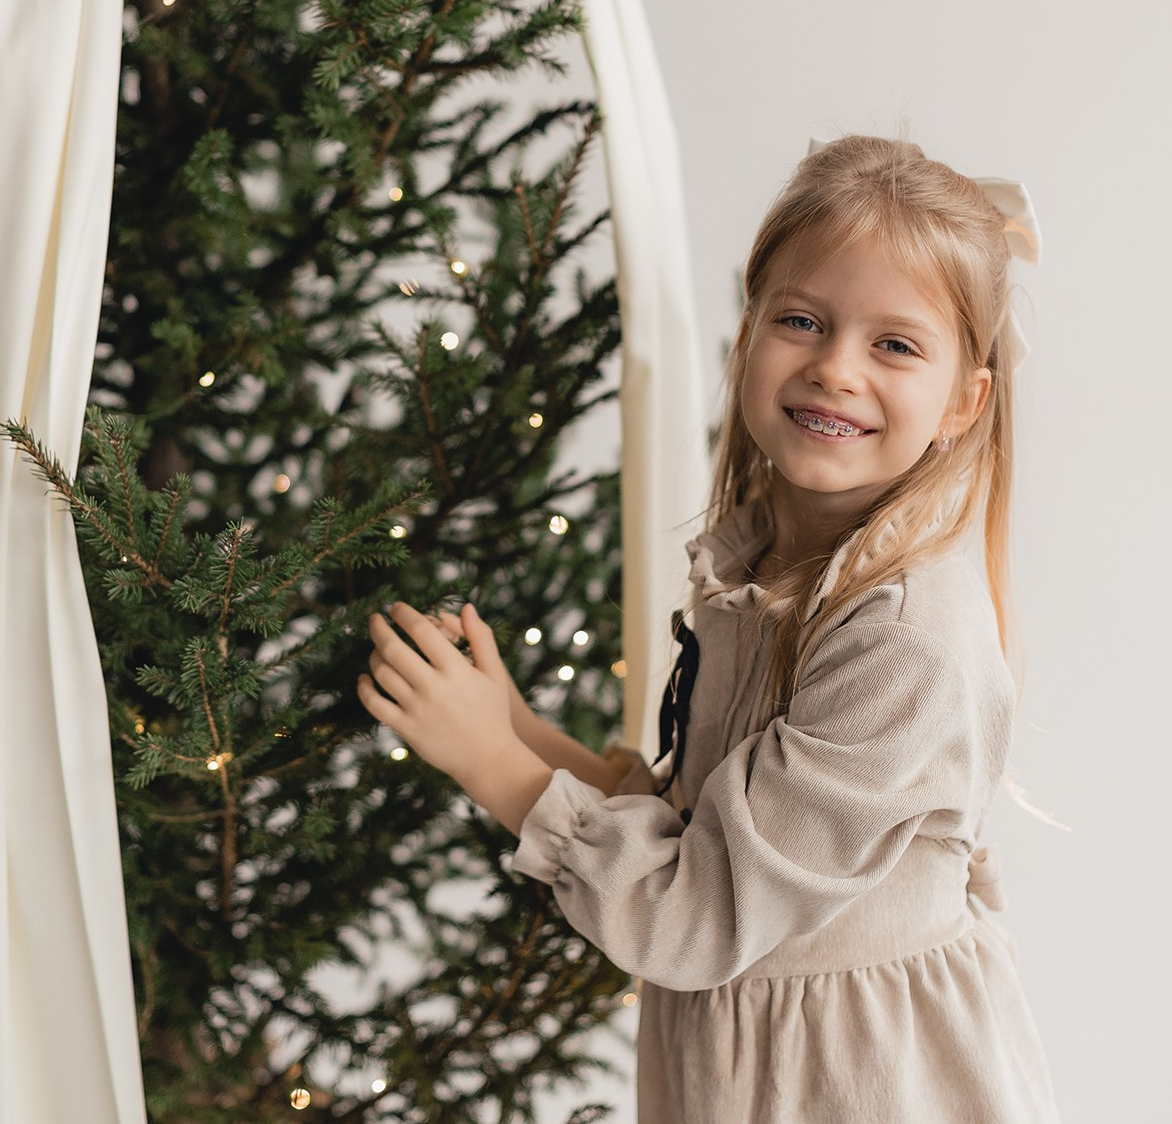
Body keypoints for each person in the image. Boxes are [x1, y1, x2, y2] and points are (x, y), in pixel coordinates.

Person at [357, 132, 1062, 1122]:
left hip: (856, 1084)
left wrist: (498, 771)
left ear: (962, 400)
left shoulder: (906, 637)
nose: (834, 369)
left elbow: (691, 912)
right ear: (747, 335)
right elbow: (705, 829)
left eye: (893, 344)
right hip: (753, 1057)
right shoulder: (765, 561)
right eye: (801, 320)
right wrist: (514, 727)